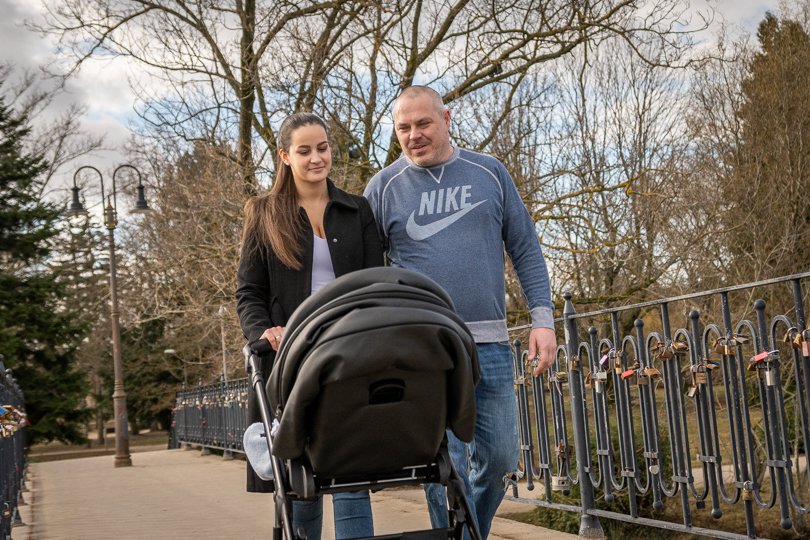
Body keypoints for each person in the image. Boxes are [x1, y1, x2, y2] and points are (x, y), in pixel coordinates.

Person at [363, 86, 557, 539]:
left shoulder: (489, 172)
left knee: (503, 458)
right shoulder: (382, 188)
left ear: (446, 119)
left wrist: (543, 319)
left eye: (423, 123)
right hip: (423, 352)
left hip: (490, 345)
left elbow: (526, 248)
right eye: (403, 127)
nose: (414, 134)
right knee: (443, 467)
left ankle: (469, 534)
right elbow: (368, 276)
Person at [236, 112, 384, 540]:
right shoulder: (264, 213)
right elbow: (249, 292)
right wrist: (263, 331)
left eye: (323, 147)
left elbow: (376, 281)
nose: (317, 158)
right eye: (304, 151)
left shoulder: (356, 210)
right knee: (302, 477)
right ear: (285, 156)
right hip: (291, 359)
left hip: (349, 354)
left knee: (351, 470)